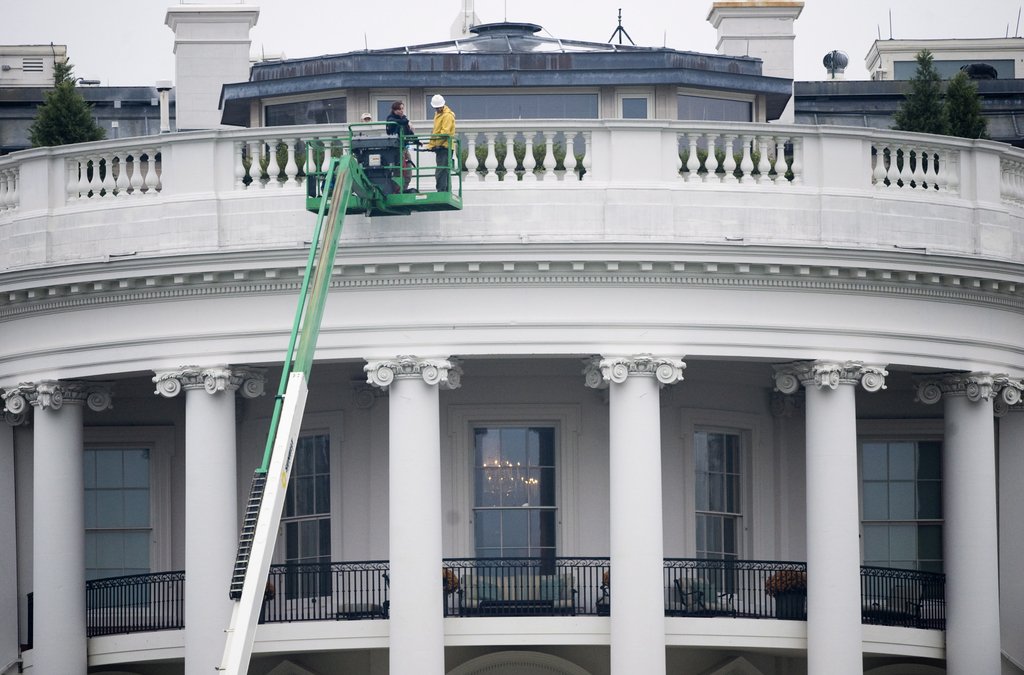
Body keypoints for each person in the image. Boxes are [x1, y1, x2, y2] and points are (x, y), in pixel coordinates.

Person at [426, 94, 455, 192]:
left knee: (441, 171)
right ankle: (445, 190)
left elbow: (444, 133)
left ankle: (442, 191)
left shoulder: (447, 116)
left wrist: (435, 145)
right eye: (436, 108)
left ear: (442, 105)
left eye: (438, 107)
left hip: (445, 147)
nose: (437, 109)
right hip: (441, 147)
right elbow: (436, 131)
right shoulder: (438, 114)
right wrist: (431, 145)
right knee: (443, 171)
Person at [386, 101, 416, 192]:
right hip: (396, 149)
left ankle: (403, 189)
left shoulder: (404, 119)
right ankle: (397, 190)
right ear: (394, 110)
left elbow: (409, 132)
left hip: (404, 147)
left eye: (402, 109)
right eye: (399, 109)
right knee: (398, 172)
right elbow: (395, 123)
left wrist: (416, 140)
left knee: (408, 171)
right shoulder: (391, 119)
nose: (402, 111)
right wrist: (407, 122)